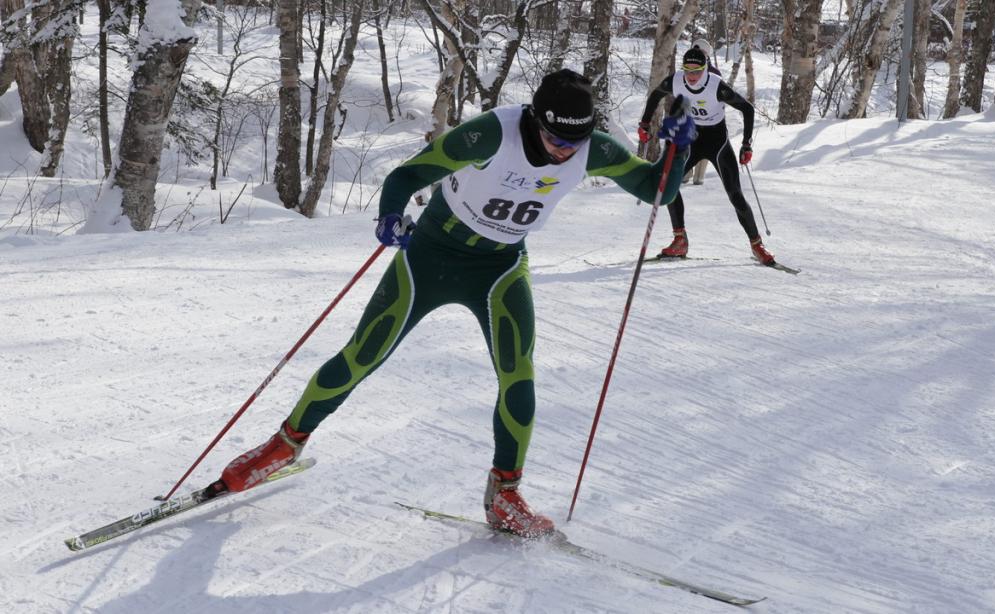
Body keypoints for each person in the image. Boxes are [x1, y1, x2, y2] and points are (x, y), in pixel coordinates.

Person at [205, 69, 695, 538]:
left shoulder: (591, 149)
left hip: (500, 267)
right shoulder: (491, 135)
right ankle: (283, 446)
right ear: (535, 120)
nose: (566, 153)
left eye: (575, 143)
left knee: (519, 376)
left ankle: (505, 494)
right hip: (432, 255)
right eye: (556, 140)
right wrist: (390, 216)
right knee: (362, 356)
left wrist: (679, 146)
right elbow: (407, 175)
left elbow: (656, 189)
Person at [637, 47, 774, 265]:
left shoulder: (716, 86)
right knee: (670, 185)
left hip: (717, 142)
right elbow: (655, 95)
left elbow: (747, 109)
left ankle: (757, 244)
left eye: (697, 71)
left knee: (735, 194)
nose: (691, 77)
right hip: (692, 139)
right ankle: (680, 239)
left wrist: (747, 144)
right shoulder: (677, 80)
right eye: (688, 71)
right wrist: (644, 123)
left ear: (705, 69)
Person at [685, 39, 719, 186]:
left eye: (702, 52)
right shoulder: (686, 69)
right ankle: (685, 173)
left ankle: (699, 176)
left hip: (708, 115)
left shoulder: (714, 73)